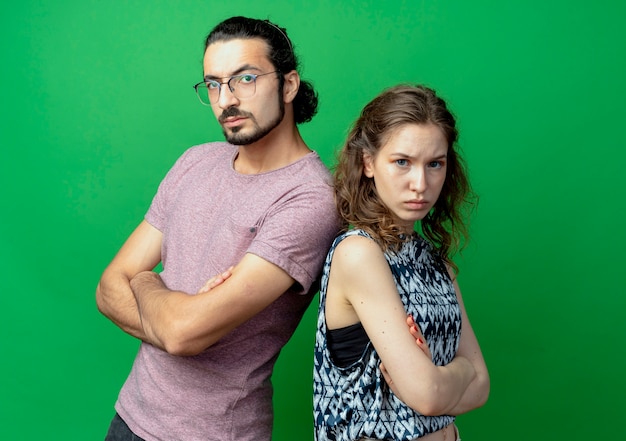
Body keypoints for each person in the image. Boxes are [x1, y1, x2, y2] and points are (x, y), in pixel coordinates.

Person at [96, 16, 341, 441]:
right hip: (130, 416)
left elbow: (183, 333)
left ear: (288, 84)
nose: (225, 99)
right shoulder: (196, 161)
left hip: (213, 432)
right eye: (213, 84)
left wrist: (147, 283)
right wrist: (174, 316)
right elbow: (107, 289)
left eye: (245, 79)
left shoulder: (311, 198)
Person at [313, 85, 490, 441]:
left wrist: (438, 379)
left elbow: (482, 386)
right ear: (367, 163)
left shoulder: (436, 262)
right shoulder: (359, 252)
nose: (420, 184)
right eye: (402, 162)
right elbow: (426, 396)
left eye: (435, 164)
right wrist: (454, 376)